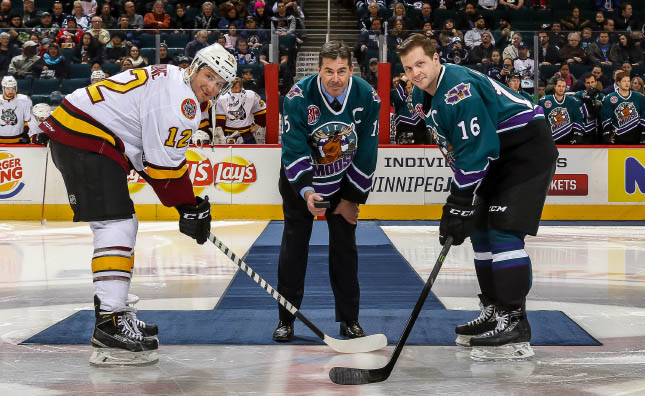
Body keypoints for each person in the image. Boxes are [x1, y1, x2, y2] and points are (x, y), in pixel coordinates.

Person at [37, 43, 237, 365]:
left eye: (219, 83)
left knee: (121, 224)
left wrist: (186, 205)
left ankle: (114, 313)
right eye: (209, 76)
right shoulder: (181, 103)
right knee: (117, 225)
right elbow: (163, 167)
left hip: (83, 134)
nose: (211, 87)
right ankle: (110, 321)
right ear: (195, 66)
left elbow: (148, 157)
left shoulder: (172, 77)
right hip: (85, 138)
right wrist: (189, 204)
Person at [398, 34, 557, 360]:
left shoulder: (457, 90)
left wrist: (457, 201)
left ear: (436, 58)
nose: (415, 72)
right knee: (480, 233)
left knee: (502, 232)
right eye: (408, 67)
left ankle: (514, 320)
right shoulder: (424, 93)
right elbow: (462, 149)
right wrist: (461, 206)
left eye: (420, 63)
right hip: (498, 156)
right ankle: (495, 312)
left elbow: (478, 149)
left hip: (524, 149)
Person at [272, 41, 380, 342]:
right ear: (318, 69)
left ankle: (350, 321)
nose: (335, 78)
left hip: (341, 184)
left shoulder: (368, 97)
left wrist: (350, 199)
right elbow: (292, 150)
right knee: (293, 251)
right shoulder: (297, 97)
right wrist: (306, 192)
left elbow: (367, 152)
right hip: (301, 186)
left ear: (351, 70)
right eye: (329, 71)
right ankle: (286, 320)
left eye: (342, 71)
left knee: (345, 253)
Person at [214, 77, 266, 144]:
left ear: (241, 87)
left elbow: (261, 110)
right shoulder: (222, 98)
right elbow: (220, 120)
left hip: (246, 134)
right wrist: (220, 135)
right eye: (232, 88)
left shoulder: (250, 95)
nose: (234, 90)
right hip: (228, 134)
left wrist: (259, 124)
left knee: (252, 154)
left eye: (236, 88)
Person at [600, 71, 645, 145]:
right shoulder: (610, 98)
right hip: (618, 137)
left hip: (636, 136)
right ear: (618, 83)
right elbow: (606, 118)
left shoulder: (639, 97)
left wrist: (643, 133)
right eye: (624, 81)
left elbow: (643, 114)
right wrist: (607, 134)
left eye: (628, 81)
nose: (627, 83)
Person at [539, 78, 585, 144]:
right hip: (550, 139)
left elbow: (578, 118)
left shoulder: (572, 101)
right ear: (555, 87)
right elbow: (541, 121)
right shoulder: (544, 101)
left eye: (563, 86)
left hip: (568, 139)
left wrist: (577, 134)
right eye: (559, 86)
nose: (561, 88)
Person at [0, 75, 32, 143]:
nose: (11, 91)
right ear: (3, 88)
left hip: (18, 140)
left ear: (16, 88)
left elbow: (28, 120)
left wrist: (26, 134)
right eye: (8, 89)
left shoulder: (24, 100)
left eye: (13, 88)